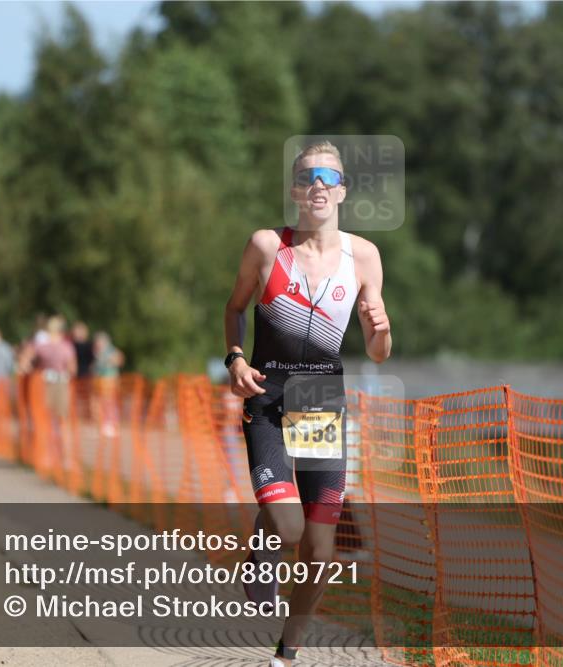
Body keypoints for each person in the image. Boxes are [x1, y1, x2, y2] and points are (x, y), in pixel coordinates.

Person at [223, 141, 391, 666]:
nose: (317, 184)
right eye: (306, 176)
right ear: (295, 190)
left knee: (320, 550)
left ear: (342, 190)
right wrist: (233, 359)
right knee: (291, 527)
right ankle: (264, 546)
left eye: (328, 177)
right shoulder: (268, 246)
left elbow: (379, 352)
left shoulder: (363, 256)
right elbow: (234, 308)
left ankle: (286, 654)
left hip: (320, 396)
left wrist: (379, 330)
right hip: (269, 391)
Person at [33, 316, 77, 471]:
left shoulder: (42, 346)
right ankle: (66, 459)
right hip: (61, 385)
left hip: (45, 385)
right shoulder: (66, 347)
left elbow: (31, 361)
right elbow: (72, 369)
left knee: (47, 422)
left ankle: (48, 456)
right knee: (62, 423)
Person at [92, 331, 124, 438]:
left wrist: (109, 361)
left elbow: (119, 360)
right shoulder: (98, 351)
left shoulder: (111, 351)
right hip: (101, 380)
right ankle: (105, 423)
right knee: (101, 402)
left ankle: (111, 424)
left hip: (109, 380)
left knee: (109, 402)